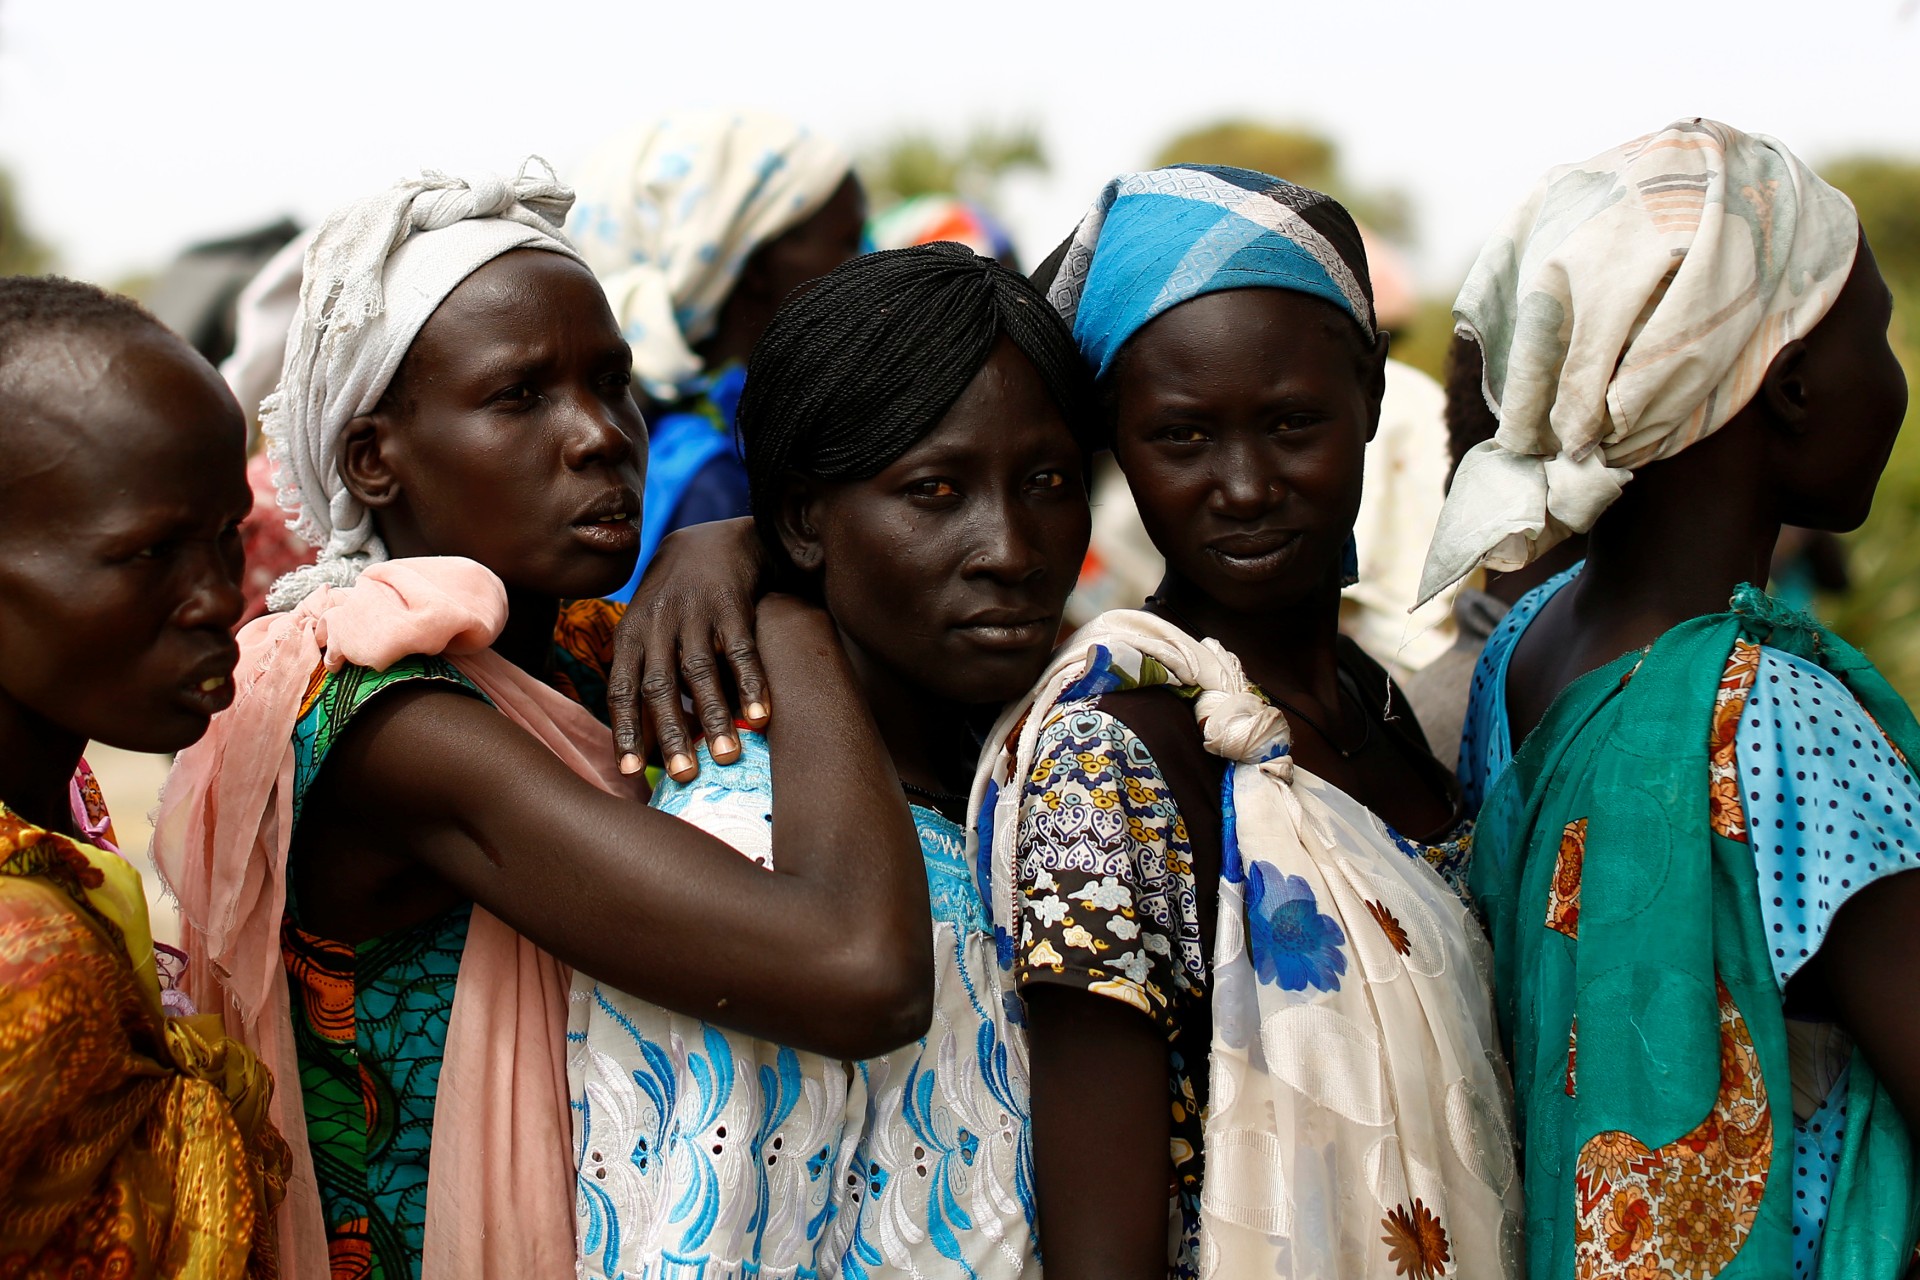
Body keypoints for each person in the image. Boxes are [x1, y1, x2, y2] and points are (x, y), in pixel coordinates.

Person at [152, 162, 933, 1280]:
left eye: (611, 383)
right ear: (375, 458)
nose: (601, 434)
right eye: (520, 395)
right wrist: (780, 594)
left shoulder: (576, 649)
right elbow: (860, 969)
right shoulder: (383, 721)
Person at [977, 166, 1521, 1279]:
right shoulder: (1115, 752)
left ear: (1372, 396)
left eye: (1291, 422)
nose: (1244, 484)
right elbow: (1103, 1245)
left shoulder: (1376, 705)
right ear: (1119, 444)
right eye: (1181, 437)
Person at [1423, 119, 1919, 1277]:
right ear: (1791, 385)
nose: (1894, 373)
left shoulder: (1527, 650)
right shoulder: (1776, 715)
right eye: (1880, 333)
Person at [573, 241, 1093, 1278]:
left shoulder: (1039, 766)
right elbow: (697, 1243)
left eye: (1046, 480)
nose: (1013, 545)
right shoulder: (743, 828)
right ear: (807, 519)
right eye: (937, 488)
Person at [0, 277, 288, 1275]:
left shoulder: (60, 815)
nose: (218, 596)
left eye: (223, 536)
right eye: (149, 552)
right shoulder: (25, 953)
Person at [568, 111, 867, 598]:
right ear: (753, 265)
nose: (864, 271)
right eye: (848, 244)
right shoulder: (718, 481)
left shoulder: (664, 438)